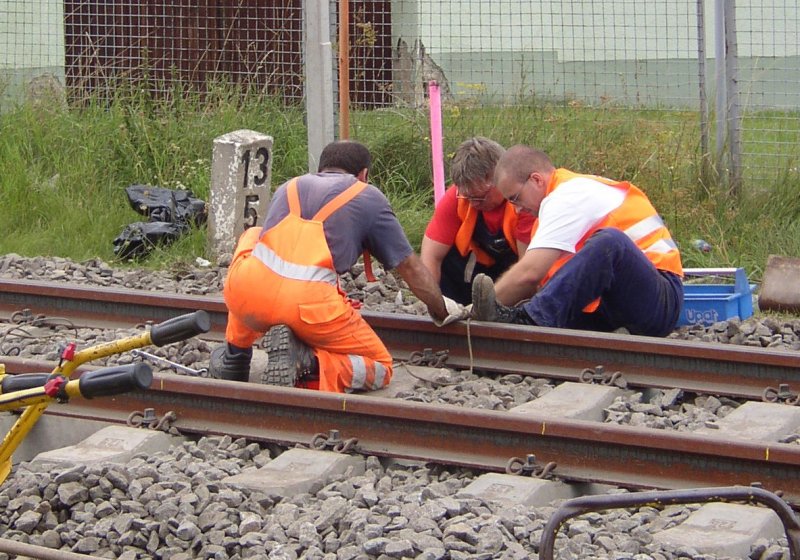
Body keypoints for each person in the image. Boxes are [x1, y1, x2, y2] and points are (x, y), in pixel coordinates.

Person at [209, 140, 469, 393]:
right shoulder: (368, 197)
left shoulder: (289, 186)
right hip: (308, 307)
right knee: (380, 366)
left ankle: (236, 356)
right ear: (364, 175)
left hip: (246, 294)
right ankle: (308, 364)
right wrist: (441, 308)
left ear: (321, 169)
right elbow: (410, 268)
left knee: (254, 238)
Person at [471, 145, 684, 336]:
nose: (517, 209)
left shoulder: (569, 196)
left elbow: (530, 272)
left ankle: (531, 320)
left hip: (660, 299)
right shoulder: (553, 207)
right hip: (616, 301)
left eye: (516, 198)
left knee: (610, 243)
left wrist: (478, 309)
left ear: (536, 180)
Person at [420, 137, 534, 304]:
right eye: (468, 197)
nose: (473, 204)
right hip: (473, 276)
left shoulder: (525, 204)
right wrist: (434, 304)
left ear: (501, 178)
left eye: (480, 198)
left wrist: (487, 307)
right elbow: (431, 257)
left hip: (516, 275)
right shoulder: (456, 198)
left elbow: (528, 270)